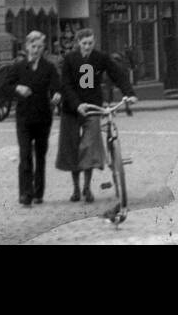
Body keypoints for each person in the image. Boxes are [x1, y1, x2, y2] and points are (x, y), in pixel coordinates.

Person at [57, 29, 137, 202]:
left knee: (89, 146)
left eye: (90, 43)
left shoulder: (100, 58)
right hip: (72, 109)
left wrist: (129, 93)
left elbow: (117, 74)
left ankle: (87, 187)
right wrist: (77, 104)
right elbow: (66, 84)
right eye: (84, 43)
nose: (87, 47)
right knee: (71, 148)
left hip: (93, 107)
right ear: (78, 42)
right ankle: (76, 188)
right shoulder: (70, 59)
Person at [3, 30, 62, 206]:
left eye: (39, 47)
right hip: (24, 118)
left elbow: (57, 86)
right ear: (27, 47)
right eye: (33, 46)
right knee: (25, 154)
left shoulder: (49, 68)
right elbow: (4, 87)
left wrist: (57, 94)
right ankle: (25, 193)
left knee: (40, 156)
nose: (36, 50)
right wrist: (17, 89)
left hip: (43, 117)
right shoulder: (19, 67)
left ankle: (38, 192)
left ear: (43, 48)